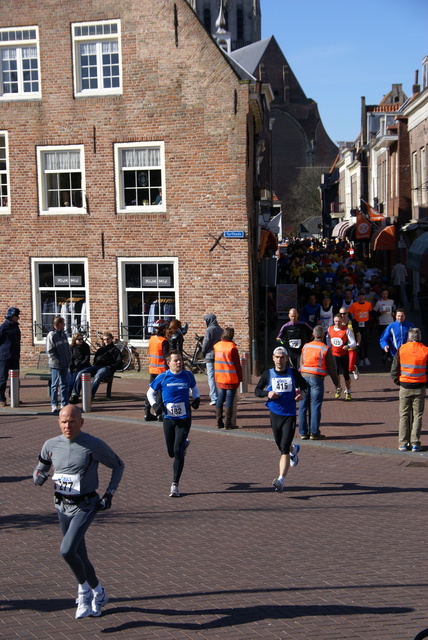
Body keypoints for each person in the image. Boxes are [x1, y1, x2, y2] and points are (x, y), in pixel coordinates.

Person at [33, 405, 124, 618]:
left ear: (81, 422)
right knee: (79, 555)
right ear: (58, 422)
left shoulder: (93, 445)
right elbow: (40, 468)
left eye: (72, 421)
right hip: (61, 505)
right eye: (64, 422)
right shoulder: (51, 445)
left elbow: (118, 465)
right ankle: (99, 593)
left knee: (66, 550)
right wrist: (38, 476)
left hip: (86, 505)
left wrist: (109, 494)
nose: (68, 426)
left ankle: (83, 593)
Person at [147, 350, 200, 497]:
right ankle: (183, 446)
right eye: (176, 360)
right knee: (171, 452)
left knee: (177, 450)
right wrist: (155, 406)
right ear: (168, 363)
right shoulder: (162, 377)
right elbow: (149, 393)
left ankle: (175, 485)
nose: (179, 362)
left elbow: (194, 389)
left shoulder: (188, 375)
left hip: (184, 418)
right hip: (168, 419)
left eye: (180, 360)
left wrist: (196, 399)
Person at [255, 346, 306, 492]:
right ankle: (294, 450)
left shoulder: (293, 373)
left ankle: (281, 480)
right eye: (277, 357)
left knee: (283, 447)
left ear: (286, 358)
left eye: (282, 357)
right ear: (273, 358)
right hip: (275, 414)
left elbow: (304, 385)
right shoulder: (268, 374)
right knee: (280, 443)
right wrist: (267, 393)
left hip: (289, 415)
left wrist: (301, 394)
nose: (279, 360)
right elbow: (257, 391)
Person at [298, 325, 339, 440]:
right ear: (324, 335)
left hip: (304, 377)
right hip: (317, 378)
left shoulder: (306, 346)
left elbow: (300, 362)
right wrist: (337, 383)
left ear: (313, 334)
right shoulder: (325, 348)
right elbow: (331, 368)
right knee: (315, 405)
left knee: (303, 405)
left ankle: (302, 432)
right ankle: (314, 432)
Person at [391, 327, 428, 452]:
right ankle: (415, 443)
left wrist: (399, 381)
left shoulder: (402, 349)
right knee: (418, 415)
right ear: (420, 337)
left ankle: (403, 443)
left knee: (404, 415)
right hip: (420, 386)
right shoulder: (425, 350)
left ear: (409, 337)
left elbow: (394, 369)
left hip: (405, 385)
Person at [69, 332, 122, 403]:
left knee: (98, 375)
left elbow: (119, 363)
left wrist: (110, 367)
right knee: (81, 373)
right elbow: (95, 359)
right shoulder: (101, 350)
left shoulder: (115, 350)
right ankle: (75, 395)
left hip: (106, 368)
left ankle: (89, 394)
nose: (106, 341)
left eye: (108, 339)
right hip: (96, 366)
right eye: (104, 339)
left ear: (111, 339)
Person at [213, 327, 242, 430]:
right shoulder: (232, 348)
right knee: (229, 400)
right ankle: (227, 423)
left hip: (220, 377)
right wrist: (240, 378)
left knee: (220, 399)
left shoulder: (217, 346)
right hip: (230, 378)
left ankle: (218, 422)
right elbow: (237, 365)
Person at [327, 313, 357, 401]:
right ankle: (338, 388)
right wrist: (329, 349)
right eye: (336, 321)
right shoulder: (330, 329)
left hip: (344, 355)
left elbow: (353, 342)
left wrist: (348, 346)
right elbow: (328, 340)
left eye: (339, 321)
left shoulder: (346, 330)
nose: (337, 323)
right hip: (334, 355)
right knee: (335, 374)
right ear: (333, 321)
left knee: (346, 374)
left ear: (342, 321)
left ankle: (348, 390)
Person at [145, 319, 169, 421]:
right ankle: (159, 414)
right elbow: (166, 357)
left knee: (151, 391)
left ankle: (147, 413)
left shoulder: (151, 339)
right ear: (163, 330)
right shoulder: (163, 341)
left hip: (152, 369)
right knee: (160, 392)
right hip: (161, 370)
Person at [46, 316, 71, 414]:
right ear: (59, 324)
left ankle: (64, 403)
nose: (64, 325)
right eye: (63, 323)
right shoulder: (51, 335)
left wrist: (68, 359)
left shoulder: (64, 334)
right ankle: (54, 404)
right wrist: (57, 361)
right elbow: (50, 351)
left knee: (64, 384)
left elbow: (67, 348)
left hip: (65, 363)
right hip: (56, 364)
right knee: (54, 385)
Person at [0, 307, 21, 407]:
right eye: (17, 316)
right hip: (5, 356)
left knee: (16, 378)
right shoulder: (4, 327)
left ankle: (14, 397)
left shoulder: (16, 327)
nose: (18, 318)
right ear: (12, 316)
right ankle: (1, 398)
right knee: (3, 378)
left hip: (15, 356)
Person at [201, 313, 223, 406]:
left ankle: (214, 397)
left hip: (210, 355)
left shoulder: (209, 330)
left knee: (211, 377)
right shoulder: (221, 329)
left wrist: (203, 352)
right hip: (219, 355)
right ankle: (221, 396)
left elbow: (206, 343)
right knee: (220, 376)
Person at [348, 290, 373, 367]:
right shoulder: (354, 305)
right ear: (358, 297)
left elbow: (371, 313)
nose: (361, 297)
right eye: (360, 296)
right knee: (358, 342)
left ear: (364, 296)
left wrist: (370, 323)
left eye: (362, 296)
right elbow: (349, 313)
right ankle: (361, 359)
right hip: (357, 324)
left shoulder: (368, 304)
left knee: (366, 342)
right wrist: (353, 320)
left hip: (365, 324)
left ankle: (366, 357)